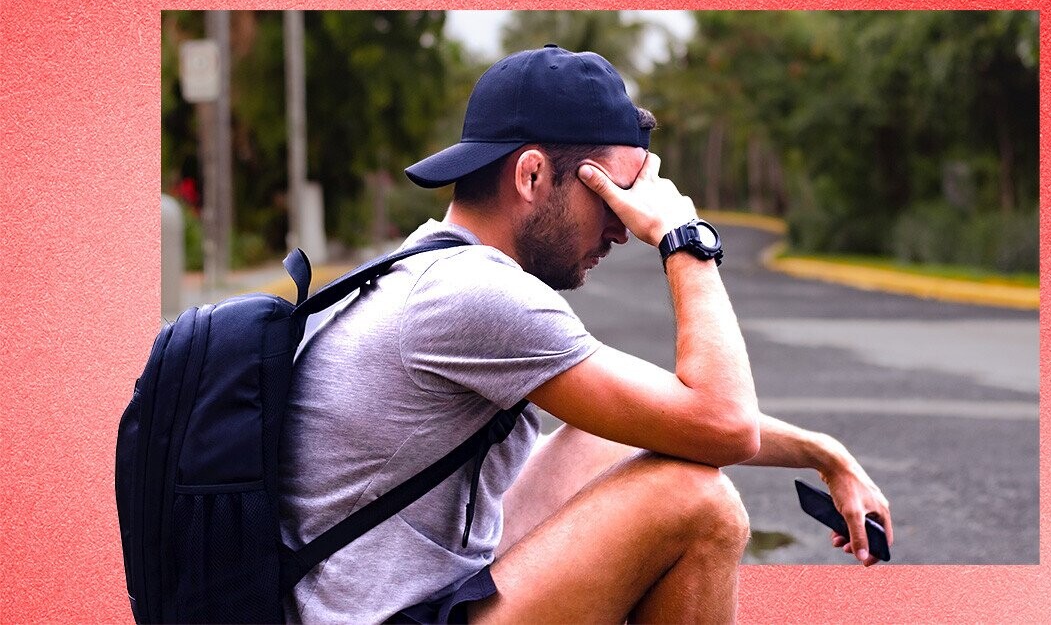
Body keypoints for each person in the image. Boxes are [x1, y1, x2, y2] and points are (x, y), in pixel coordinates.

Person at [279, 44, 892, 624]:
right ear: (531, 176)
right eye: (613, 198)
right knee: (699, 504)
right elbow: (725, 422)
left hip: (382, 601)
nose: (625, 229)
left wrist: (823, 453)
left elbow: (679, 412)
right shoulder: (474, 294)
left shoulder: (426, 264)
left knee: (606, 439)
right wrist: (685, 240)